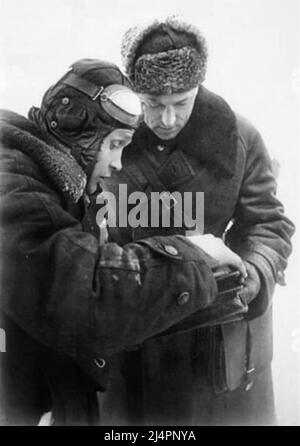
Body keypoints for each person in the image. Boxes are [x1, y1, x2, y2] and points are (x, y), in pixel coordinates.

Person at [0, 58, 247, 426]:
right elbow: (84, 292)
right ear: (75, 131)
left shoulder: (34, 176)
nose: (118, 163)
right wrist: (195, 253)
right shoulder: (13, 184)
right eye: (114, 144)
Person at [101, 17, 295, 426]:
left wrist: (255, 273)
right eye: (152, 103)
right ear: (134, 92)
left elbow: (268, 224)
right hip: (130, 337)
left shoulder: (238, 137)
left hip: (211, 344)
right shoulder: (107, 138)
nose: (167, 119)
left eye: (181, 103)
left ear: (199, 90)